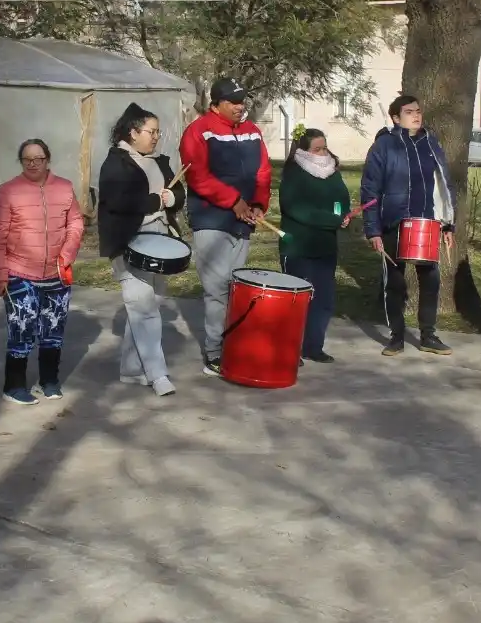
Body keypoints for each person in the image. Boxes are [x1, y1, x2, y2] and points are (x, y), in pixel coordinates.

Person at [179, 78, 271, 376]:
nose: (239, 106)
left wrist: (258, 203)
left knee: (235, 287)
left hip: (243, 219)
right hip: (210, 219)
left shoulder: (252, 132)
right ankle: (215, 352)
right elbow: (198, 177)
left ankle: (233, 346)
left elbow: (263, 172)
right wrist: (233, 201)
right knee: (217, 288)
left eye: (241, 100)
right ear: (215, 104)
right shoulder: (198, 131)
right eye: (232, 101)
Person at [0, 139, 85, 405]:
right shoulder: (8, 191)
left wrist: (67, 254)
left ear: (47, 160)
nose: (33, 164)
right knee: (21, 328)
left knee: (53, 328)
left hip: (56, 272)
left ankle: (50, 380)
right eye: (27, 159)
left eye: (38, 159)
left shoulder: (64, 188)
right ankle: (14, 386)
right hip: (19, 271)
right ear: (21, 162)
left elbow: (75, 222)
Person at [98, 103, 186, 397]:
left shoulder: (160, 160)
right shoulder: (116, 163)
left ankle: (132, 369)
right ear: (133, 132)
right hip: (129, 242)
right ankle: (157, 373)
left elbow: (178, 191)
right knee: (142, 306)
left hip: (160, 239)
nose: (156, 137)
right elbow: (120, 203)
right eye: (152, 131)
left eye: (159, 131)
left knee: (152, 302)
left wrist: (172, 197)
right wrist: (156, 201)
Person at [359, 95, 454, 356]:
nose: (416, 115)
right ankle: (396, 338)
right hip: (394, 221)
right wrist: (373, 230)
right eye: (409, 111)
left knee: (431, 279)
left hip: (426, 222)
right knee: (395, 283)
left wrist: (448, 224)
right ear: (395, 118)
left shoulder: (431, 144)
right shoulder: (384, 146)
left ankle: (428, 336)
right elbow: (370, 190)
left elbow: (444, 185)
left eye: (418, 110)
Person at [276, 129, 349, 363]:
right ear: (303, 150)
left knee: (323, 300)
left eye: (324, 147)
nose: (322, 153)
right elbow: (297, 209)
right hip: (298, 246)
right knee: (297, 301)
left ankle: (313, 346)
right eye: (316, 149)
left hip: (325, 247)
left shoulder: (332, 172)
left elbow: (341, 199)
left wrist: (342, 215)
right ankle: (290, 348)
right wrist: (332, 220)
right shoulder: (293, 173)